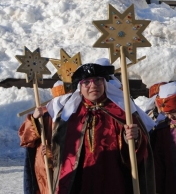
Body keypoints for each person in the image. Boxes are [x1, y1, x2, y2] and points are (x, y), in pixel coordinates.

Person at [44, 63, 155, 194]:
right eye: (86, 82)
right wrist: (52, 150)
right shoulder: (71, 115)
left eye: (98, 80)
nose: (93, 85)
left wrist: (132, 138)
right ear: (80, 87)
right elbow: (63, 150)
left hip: (113, 178)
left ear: (104, 83)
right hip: (81, 179)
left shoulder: (121, 111)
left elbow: (139, 149)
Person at [19, 81, 68, 194]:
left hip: (67, 163)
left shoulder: (77, 113)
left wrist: (54, 152)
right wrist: (34, 119)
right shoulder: (45, 114)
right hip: (44, 165)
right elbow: (26, 138)